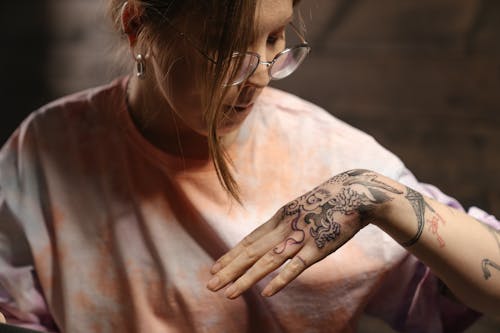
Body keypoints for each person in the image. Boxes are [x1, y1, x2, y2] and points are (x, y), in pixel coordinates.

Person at [0, 0, 498, 332]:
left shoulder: (328, 155)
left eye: (276, 38)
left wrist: (375, 195)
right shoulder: (46, 150)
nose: (259, 75)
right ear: (138, 27)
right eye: (225, 48)